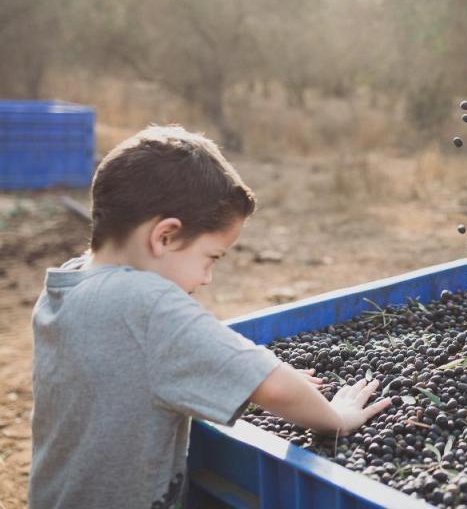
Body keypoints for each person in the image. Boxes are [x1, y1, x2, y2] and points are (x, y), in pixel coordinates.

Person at [29, 125, 391, 509]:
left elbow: (130, 376)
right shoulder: (149, 305)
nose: (207, 277)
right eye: (211, 257)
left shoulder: (66, 285)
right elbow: (277, 388)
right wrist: (337, 417)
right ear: (165, 236)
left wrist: (234, 382)